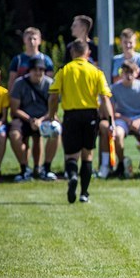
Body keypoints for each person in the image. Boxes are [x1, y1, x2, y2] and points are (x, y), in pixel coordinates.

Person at [46, 39, 114, 203]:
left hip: (71, 116)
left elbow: (53, 96)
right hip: (91, 116)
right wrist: (111, 121)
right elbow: (105, 99)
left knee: (71, 155)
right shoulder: (96, 72)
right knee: (87, 155)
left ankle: (72, 176)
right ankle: (84, 193)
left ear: (72, 53)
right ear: (88, 53)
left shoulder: (64, 70)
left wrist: (52, 114)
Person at [9, 58, 58, 182]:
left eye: (41, 70)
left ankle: (46, 168)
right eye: (35, 70)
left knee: (56, 130)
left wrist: (40, 120)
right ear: (29, 71)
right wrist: (30, 120)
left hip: (44, 118)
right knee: (14, 135)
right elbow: (15, 109)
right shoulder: (19, 83)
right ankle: (24, 168)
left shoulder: (50, 84)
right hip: (24, 118)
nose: (38, 72)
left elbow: (53, 109)